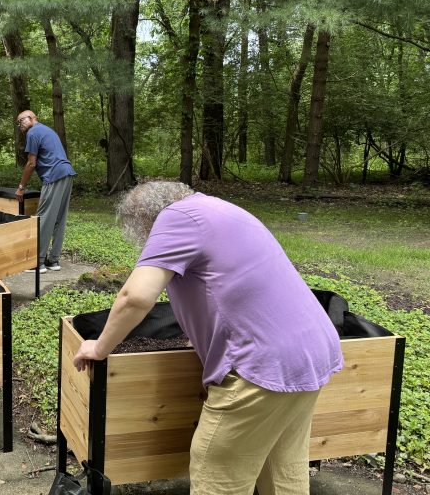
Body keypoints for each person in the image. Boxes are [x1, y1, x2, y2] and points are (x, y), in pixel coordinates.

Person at [72, 181, 344, 495]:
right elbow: (227, 285)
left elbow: (135, 296)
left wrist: (101, 346)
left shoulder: (174, 218)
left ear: (144, 220)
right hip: (311, 352)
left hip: (262, 366)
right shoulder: (219, 209)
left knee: (216, 472)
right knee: (282, 468)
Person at [14, 110, 76, 273]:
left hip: (54, 175)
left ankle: (38, 262)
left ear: (33, 118)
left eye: (22, 120)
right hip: (67, 173)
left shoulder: (33, 132)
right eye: (18, 122)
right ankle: (53, 260)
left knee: (43, 218)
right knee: (59, 218)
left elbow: (31, 163)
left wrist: (21, 187)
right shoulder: (47, 130)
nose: (20, 124)